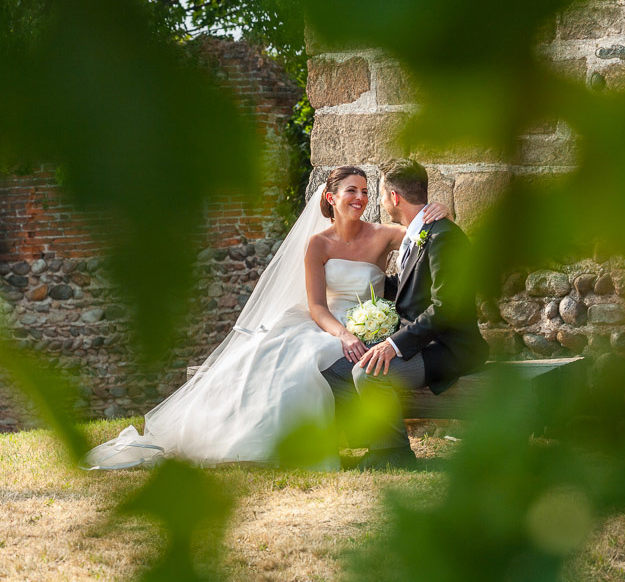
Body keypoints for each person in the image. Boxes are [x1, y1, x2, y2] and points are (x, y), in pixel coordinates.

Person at [80, 166, 450, 470]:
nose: (361, 198)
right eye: (352, 190)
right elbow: (317, 306)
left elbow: (424, 232)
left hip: (366, 325)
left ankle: (365, 444)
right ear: (330, 198)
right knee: (293, 358)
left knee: (320, 366)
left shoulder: (385, 235)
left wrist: (443, 208)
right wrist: (343, 335)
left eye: (367, 191)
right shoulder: (318, 244)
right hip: (328, 324)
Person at [322, 158, 488, 471]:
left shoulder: (443, 237)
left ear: (395, 198)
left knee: (367, 373)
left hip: (448, 346)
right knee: (334, 372)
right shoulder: (418, 233)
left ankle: (394, 453)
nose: (380, 201)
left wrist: (394, 345)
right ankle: (376, 440)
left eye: (381, 194)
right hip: (420, 342)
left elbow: (446, 307)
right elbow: (409, 288)